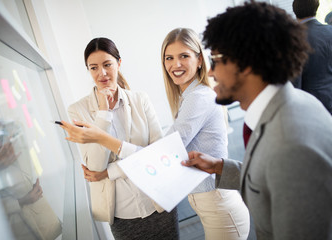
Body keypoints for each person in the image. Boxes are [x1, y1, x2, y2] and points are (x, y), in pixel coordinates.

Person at [182, 2, 332, 240]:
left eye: (216, 60)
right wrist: (220, 166)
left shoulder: (291, 144)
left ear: (247, 62)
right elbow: (274, 182)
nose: (211, 73)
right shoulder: (286, 105)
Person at [65, 37, 179, 240]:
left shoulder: (140, 100)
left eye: (107, 64)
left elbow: (158, 155)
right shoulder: (78, 110)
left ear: (119, 63)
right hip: (122, 214)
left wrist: (110, 172)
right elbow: (95, 168)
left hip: (158, 202)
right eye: (94, 68)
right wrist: (103, 114)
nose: (102, 73)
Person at [161, 28, 250, 239]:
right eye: (169, 58)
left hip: (219, 206)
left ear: (199, 60)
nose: (176, 64)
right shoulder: (189, 96)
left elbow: (169, 146)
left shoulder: (198, 97)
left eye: (184, 56)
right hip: (212, 203)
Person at [292, 0, 332, 114]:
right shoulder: (330, 31)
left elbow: (295, 81)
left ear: (294, 11)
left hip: (311, 105)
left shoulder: (296, 39)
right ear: (317, 8)